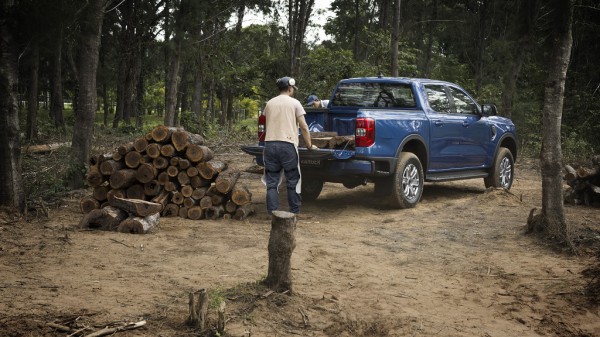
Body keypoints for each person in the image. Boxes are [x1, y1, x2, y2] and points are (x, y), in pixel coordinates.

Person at [263, 76, 317, 215]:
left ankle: (273, 212)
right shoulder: (295, 103)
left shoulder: (269, 103)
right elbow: (304, 127)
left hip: (269, 145)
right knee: (292, 180)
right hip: (287, 145)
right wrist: (310, 145)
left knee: (272, 182)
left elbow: (265, 122)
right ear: (289, 88)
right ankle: (294, 212)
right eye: (293, 88)